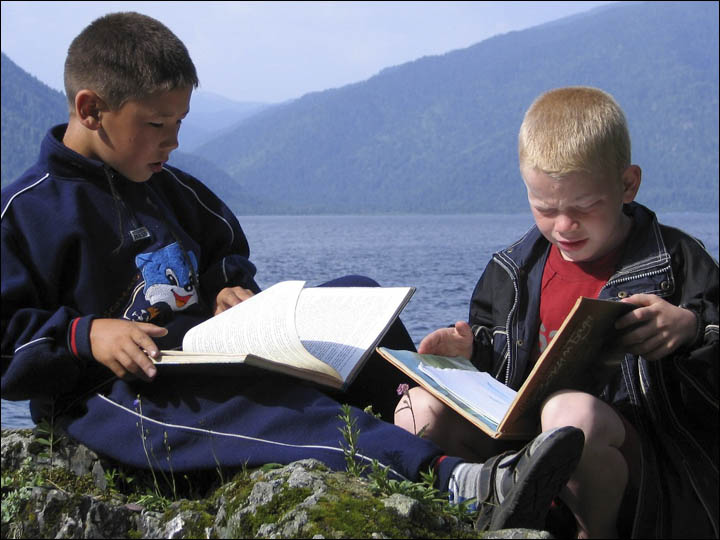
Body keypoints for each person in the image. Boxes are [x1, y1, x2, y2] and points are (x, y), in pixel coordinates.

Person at [1, 11, 585, 532]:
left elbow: (222, 250)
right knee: (267, 408)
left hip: (211, 353)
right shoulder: (26, 210)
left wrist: (231, 288)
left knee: (357, 298)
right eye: (158, 125)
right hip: (114, 394)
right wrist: (87, 336)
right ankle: (455, 482)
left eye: (180, 121)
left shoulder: (174, 189)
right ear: (91, 109)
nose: (174, 141)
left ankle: (477, 435)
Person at [394, 86, 719, 538]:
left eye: (584, 208)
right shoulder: (511, 269)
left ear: (628, 184)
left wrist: (692, 328)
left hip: (641, 468)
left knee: (570, 416)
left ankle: (594, 533)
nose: (563, 226)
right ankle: (481, 516)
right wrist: (469, 353)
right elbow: (500, 370)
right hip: (524, 455)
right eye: (544, 208)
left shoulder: (676, 259)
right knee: (418, 406)